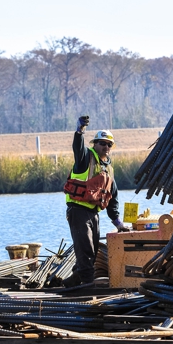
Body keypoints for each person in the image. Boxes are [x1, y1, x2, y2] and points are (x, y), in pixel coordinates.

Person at [63, 116, 129, 288]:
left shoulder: (109, 169)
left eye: (109, 144)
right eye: (102, 143)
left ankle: (72, 282)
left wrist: (118, 222)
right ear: (95, 144)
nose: (106, 147)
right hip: (78, 211)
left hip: (93, 214)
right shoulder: (85, 158)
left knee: (92, 251)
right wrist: (80, 131)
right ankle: (87, 284)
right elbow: (78, 148)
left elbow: (112, 197)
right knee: (84, 248)